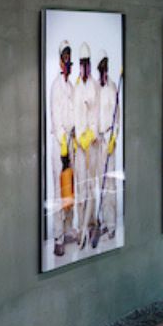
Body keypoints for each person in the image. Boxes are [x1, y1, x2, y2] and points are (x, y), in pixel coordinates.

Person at [48, 42, 77, 259]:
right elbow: (57, 120)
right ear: (60, 61)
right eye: (64, 57)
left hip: (71, 142)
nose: (67, 60)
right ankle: (58, 237)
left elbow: (74, 116)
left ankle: (69, 229)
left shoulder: (72, 87)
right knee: (60, 191)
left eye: (70, 56)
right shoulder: (56, 86)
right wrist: (64, 148)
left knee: (71, 189)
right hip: (59, 144)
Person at [92, 56, 121, 243]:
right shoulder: (96, 89)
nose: (102, 73)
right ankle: (102, 222)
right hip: (98, 141)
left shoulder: (112, 89)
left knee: (109, 185)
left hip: (109, 141)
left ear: (107, 69)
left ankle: (111, 225)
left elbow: (117, 120)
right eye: (99, 70)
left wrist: (113, 139)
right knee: (98, 183)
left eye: (104, 69)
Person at [75, 44, 101, 249]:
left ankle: (90, 227)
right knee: (80, 188)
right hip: (79, 147)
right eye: (81, 63)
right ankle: (81, 228)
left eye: (87, 63)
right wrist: (78, 136)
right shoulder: (77, 87)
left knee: (91, 187)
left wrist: (90, 133)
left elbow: (96, 114)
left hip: (91, 146)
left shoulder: (94, 86)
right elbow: (76, 115)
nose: (84, 67)